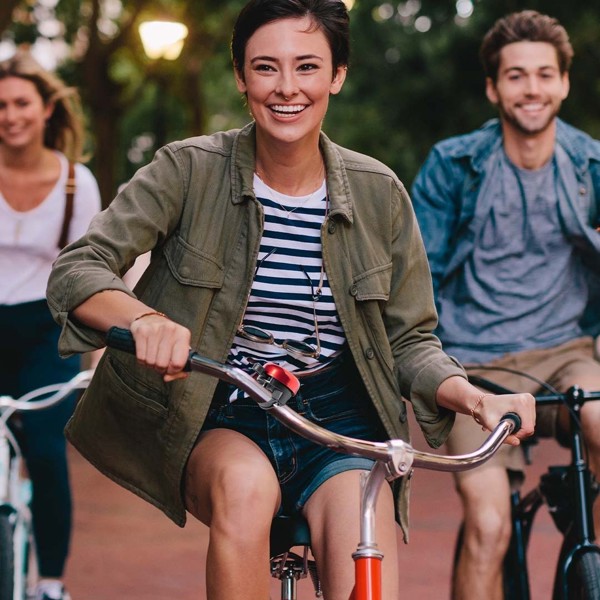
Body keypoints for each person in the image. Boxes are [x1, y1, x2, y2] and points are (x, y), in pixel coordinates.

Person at [47, 2, 534, 599]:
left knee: (363, 534)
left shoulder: (380, 194)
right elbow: (78, 269)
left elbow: (409, 341)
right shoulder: (186, 169)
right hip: (225, 403)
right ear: (241, 76)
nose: (286, 88)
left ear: (337, 75)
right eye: (265, 67)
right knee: (245, 489)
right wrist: (143, 319)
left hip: (341, 418)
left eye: (307, 67)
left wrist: (472, 396)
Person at [411, 10, 600, 600]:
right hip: (476, 366)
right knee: (489, 526)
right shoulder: (454, 165)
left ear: (565, 82)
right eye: (516, 76)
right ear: (494, 88)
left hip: (567, 352)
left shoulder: (592, 165)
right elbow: (417, 281)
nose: (533, 89)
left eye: (545, 74)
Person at [0, 51, 101, 600]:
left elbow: (89, 269)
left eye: (21, 103)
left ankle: (51, 584)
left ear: (44, 111)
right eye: (0, 105)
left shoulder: (74, 184)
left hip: (46, 331)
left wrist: (105, 346)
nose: (10, 115)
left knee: (43, 449)